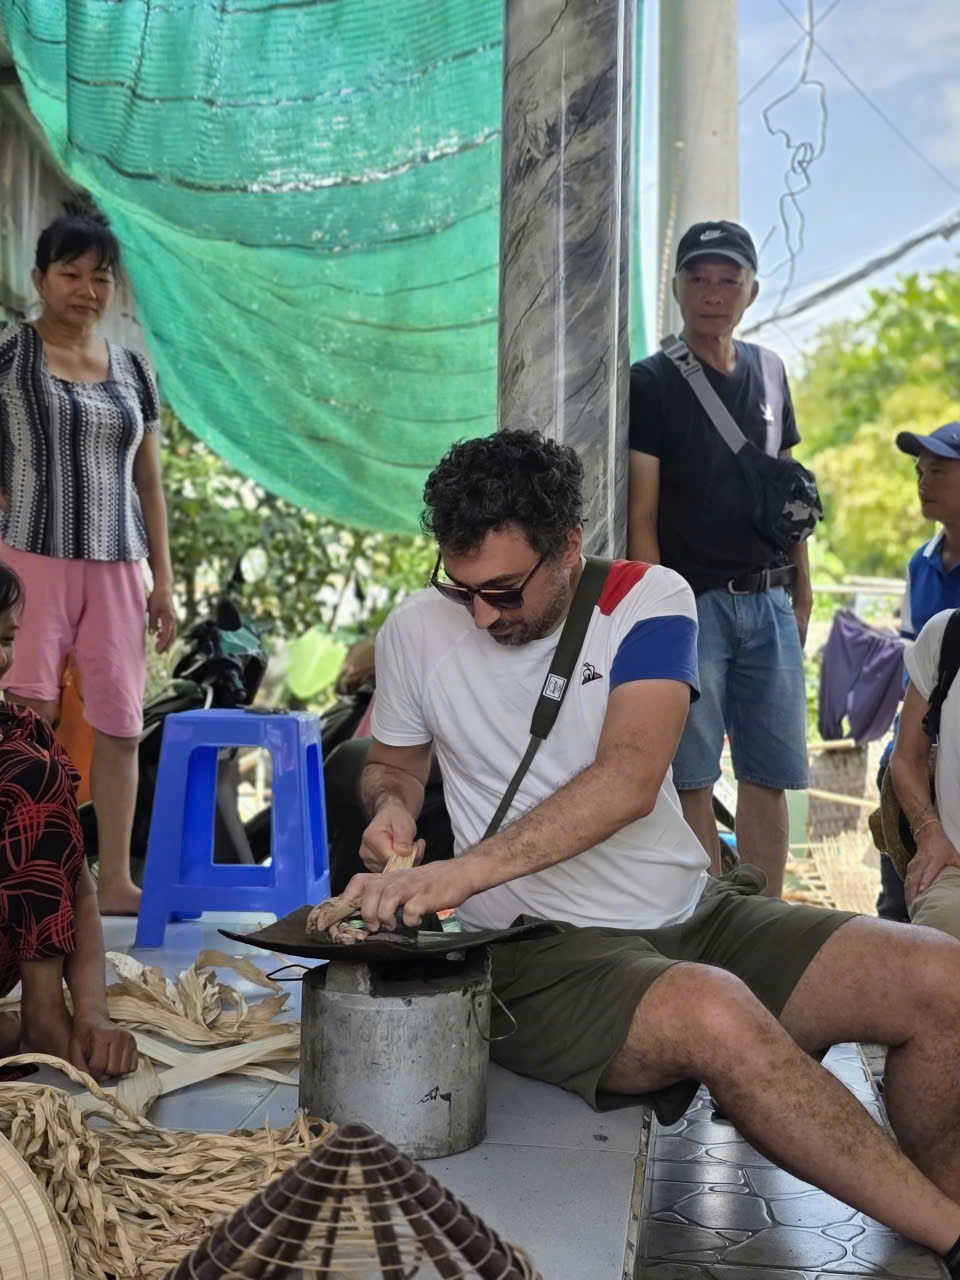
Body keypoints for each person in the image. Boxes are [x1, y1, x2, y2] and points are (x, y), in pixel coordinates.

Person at [333, 430, 960, 1270]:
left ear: (568, 548)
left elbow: (629, 776)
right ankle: (952, 1234)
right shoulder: (415, 629)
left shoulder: (647, 597)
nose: (481, 614)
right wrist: (391, 811)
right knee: (713, 1010)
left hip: (693, 913)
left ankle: (942, 1202)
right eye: (462, 587)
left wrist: (461, 870)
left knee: (943, 976)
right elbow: (394, 766)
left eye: (505, 591)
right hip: (533, 947)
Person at [0, 207, 177, 916]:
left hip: (119, 564)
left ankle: (115, 881)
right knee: (28, 716)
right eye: (69, 273)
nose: (86, 289)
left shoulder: (134, 367)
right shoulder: (9, 355)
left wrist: (164, 582)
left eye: (99, 277)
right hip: (28, 558)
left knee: (121, 722)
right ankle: (27, 869)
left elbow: (150, 483)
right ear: (39, 279)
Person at [628, 220, 811, 898]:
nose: (712, 293)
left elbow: (789, 492)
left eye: (728, 280)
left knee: (771, 773)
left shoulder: (772, 371)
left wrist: (803, 589)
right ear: (676, 288)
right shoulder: (649, 381)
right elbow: (641, 513)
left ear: (751, 291)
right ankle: (711, 920)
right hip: (693, 603)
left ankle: (767, 916)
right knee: (693, 774)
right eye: (698, 279)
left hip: (770, 597)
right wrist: (659, 612)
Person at [0, 561, 138, 1079]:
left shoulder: (23, 741)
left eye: (5, 639)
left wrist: (92, 1014)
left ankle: (43, 1014)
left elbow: (76, 888)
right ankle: (25, 1028)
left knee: (34, 774)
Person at [876, 422, 960, 922]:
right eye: (919, 472)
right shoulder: (921, 563)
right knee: (901, 894)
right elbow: (917, 664)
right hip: (921, 738)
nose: (924, 482)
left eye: (939, 471)